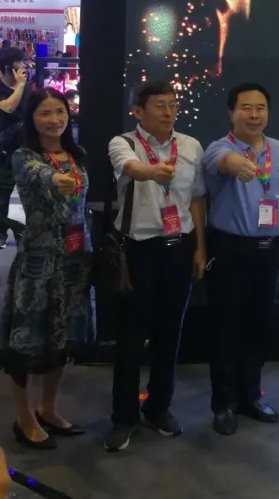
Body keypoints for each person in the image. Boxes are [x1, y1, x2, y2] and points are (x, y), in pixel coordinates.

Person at [104, 82, 207, 453]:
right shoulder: (123, 143)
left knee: (170, 333)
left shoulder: (191, 146)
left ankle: (158, 407)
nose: (168, 111)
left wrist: (199, 248)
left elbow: (196, 199)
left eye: (172, 105)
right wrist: (152, 171)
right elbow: (130, 168)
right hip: (139, 251)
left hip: (179, 247)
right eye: (160, 105)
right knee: (131, 337)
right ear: (138, 111)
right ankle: (124, 417)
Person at [0, 89, 90, 448]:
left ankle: (48, 408)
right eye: (45, 113)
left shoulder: (77, 154)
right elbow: (38, 174)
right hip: (38, 262)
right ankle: (24, 418)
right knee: (26, 342)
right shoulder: (24, 156)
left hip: (74, 259)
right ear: (32, 119)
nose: (54, 120)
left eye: (60, 112)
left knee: (60, 339)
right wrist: (55, 179)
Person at [203, 83, 279, 435]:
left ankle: (251, 396)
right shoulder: (219, 148)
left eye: (260, 108)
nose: (254, 115)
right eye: (246, 108)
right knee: (226, 327)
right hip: (230, 249)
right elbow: (224, 163)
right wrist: (238, 164)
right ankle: (224, 403)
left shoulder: (278, 149)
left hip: (268, 248)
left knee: (258, 326)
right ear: (232, 112)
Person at [0, 48, 29, 250]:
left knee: (28, 191)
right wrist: (20, 86)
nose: (24, 66)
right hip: (4, 146)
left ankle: (29, 232)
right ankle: (1, 232)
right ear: (8, 67)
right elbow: (8, 107)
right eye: (19, 62)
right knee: (3, 191)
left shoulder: (27, 87)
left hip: (26, 145)